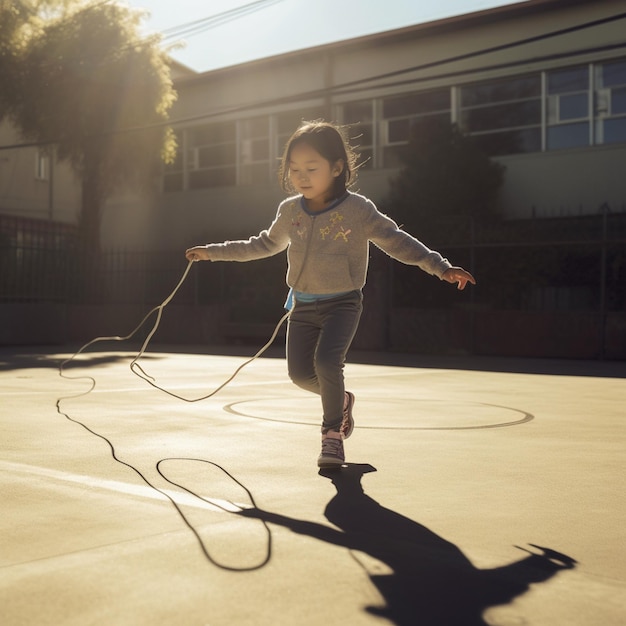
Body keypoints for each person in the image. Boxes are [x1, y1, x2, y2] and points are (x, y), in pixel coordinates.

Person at [185, 120, 476, 469]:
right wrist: (213, 252)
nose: (301, 176)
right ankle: (341, 402)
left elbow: (396, 240)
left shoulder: (358, 210)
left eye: (311, 168)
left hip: (342, 304)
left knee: (326, 363)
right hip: (302, 306)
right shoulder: (290, 210)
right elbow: (263, 244)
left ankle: (332, 437)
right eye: (294, 169)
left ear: (337, 168)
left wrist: (440, 266)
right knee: (299, 375)